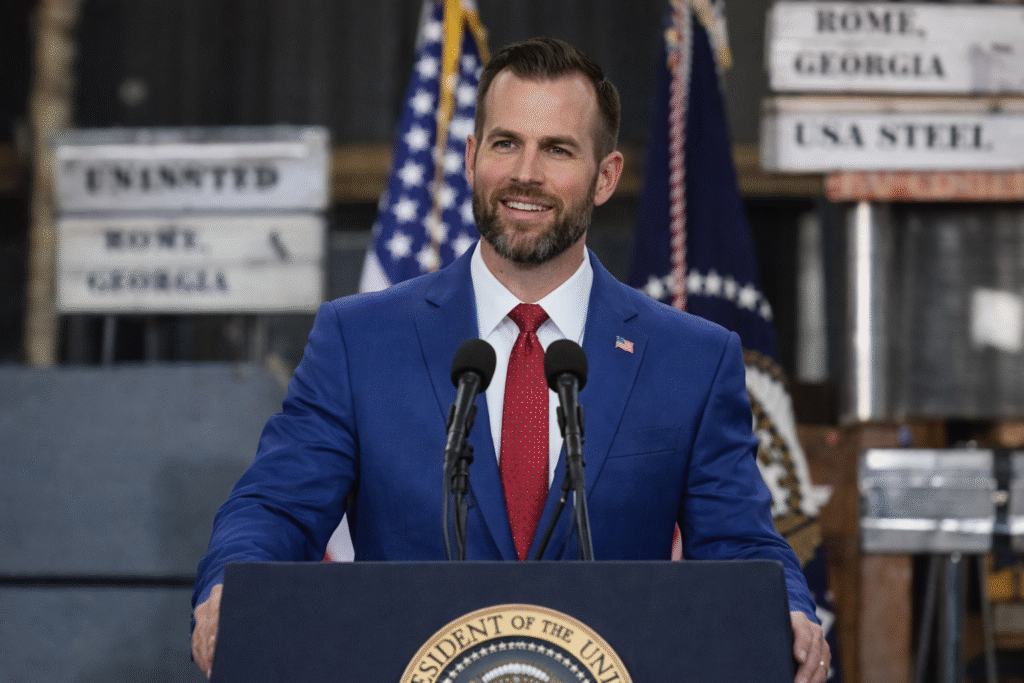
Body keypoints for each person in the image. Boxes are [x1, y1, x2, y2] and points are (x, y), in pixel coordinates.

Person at [192, 36, 830, 683]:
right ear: (472, 157)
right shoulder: (359, 339)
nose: (526, 172)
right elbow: (275, 507)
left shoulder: (691, 357)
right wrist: (227, 587)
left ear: (605, 176)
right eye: (505, 143)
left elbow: (739, 541)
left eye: (557, 149)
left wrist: (791, 606)